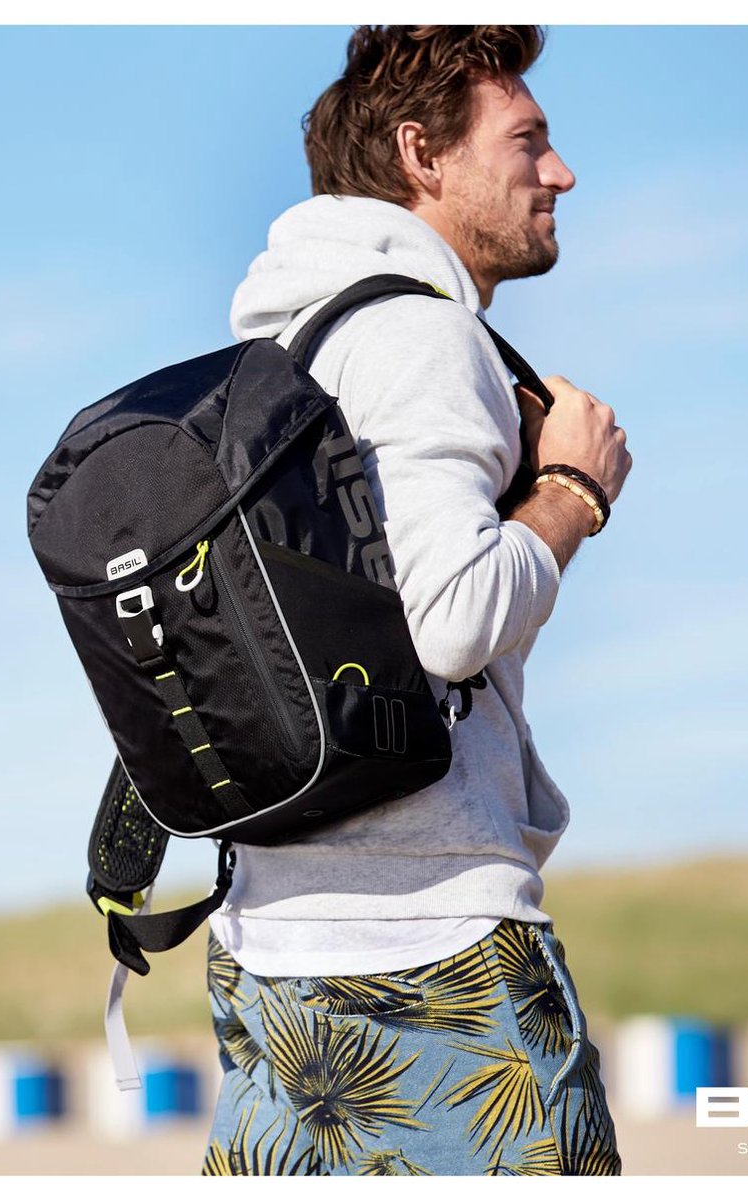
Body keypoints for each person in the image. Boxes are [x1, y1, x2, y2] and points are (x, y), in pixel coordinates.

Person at [203, 25, 632, 1177]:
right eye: (528, 140)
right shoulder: (422, 337)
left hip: (269, 951)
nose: (561, 172)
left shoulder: (284, 349)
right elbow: (454, 620)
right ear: (421, 154)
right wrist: (571, 491)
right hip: (433, 951)